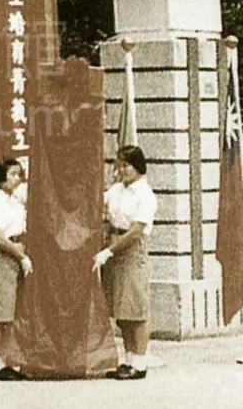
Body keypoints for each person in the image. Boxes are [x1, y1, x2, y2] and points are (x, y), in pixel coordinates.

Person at [94, 145, 157, 381]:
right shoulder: (116, 190)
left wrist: (109, 251)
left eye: (127, 165)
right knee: (121, 310)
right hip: (113, 247)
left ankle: (140, 363)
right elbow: (100, 208)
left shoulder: (145, 194)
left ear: (138, 167)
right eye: (119, 164)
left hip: (130, 250)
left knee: (136, 309)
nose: (122, 169)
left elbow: (136, 231)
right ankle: (128, 359)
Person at [0, 158, 33, 381]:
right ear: (1, 178)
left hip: (17, 251)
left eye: (18, 174)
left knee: (11, 312)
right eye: (12, 174)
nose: (17, 178)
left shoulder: (13, 200)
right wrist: (21, 256)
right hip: (4, 256)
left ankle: (7, 360)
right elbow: (0, 238)